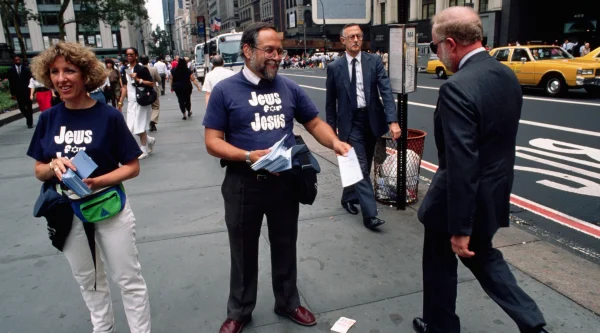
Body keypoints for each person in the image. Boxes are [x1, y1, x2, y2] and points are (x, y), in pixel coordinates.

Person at [203, 22, 351, 333]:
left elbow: (313, 123)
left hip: (284, 182)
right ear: (248, 51)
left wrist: (334, 142)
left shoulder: (289, 88)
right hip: (243, 184)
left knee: (285, 244)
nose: (277, 56)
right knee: (243, 250)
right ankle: (240, 311)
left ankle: (287, 301)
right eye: (269, 50)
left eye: (279, 51)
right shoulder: (225, 90)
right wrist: (247, 156)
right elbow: (212, 141)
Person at [413, 7, 548, 333]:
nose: (438, 56)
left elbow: (462, 160)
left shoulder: (457, 86)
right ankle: (534, 324)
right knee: (484, 257)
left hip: (455, 201)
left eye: (434, 48)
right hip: (494, 191)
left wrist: (461, 226)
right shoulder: (506, 75)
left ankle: (440, 326)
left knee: (439, 263)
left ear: (450, 43)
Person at [27, 41, 152, 333]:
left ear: (85, 74)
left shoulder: (108, 116)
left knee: (128, 280)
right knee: (90, 281)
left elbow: (132, 167)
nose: (61, 79)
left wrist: (97, 181)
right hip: (67, 213)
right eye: (54, 72)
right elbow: (38, 171)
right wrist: (54, 166)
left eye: (69, 70)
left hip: (109, 207)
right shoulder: (48, 119)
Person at [325, 23, 399, 230]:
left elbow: (385, 91)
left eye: (359, 36)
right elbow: (331, 103)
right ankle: (370, 215)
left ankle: (348, 197)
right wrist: (331, 134)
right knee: (360, 166)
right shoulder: (334, 67)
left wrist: (392, 121)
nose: (356, 40)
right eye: (352, 37)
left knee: (362, 166)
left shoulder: (374, 61)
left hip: (372, 121)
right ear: (343, 40)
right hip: (351, 124)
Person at [117, 48, 156, 160]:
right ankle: (149, 140)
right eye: (127, 55)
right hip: (131, 102)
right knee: (131, 127)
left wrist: (138, 80)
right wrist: (120, 101)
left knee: (139, 127)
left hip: (142, 101)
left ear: (136, 56)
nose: (129, 56)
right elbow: (124, 87)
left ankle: (143, 150)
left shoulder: (142, 69)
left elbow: (151, 83)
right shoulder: (125, 70)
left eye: (131, 54)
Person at [8, 56, 34, 128]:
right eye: (16, 60)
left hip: (27, 91)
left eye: (19, 60)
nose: (18, 61)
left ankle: (29, 123)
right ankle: (28, 116)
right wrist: (12, 93)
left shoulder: (26, 69)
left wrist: (32, 91)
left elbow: (31, 80)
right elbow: (11, 83)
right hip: (18, 92)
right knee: (21, 107)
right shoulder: (11, 70)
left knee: (29, 107)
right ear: (14, 61)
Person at [140, 54, 162, 132]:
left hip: (142, 91)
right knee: (155, 106)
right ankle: (153, 121)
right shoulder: (153, 69)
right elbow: (159, 79)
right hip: (153, 90)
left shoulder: (138, 70)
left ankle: (148, 122)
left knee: (145, 108)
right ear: (148, 60)